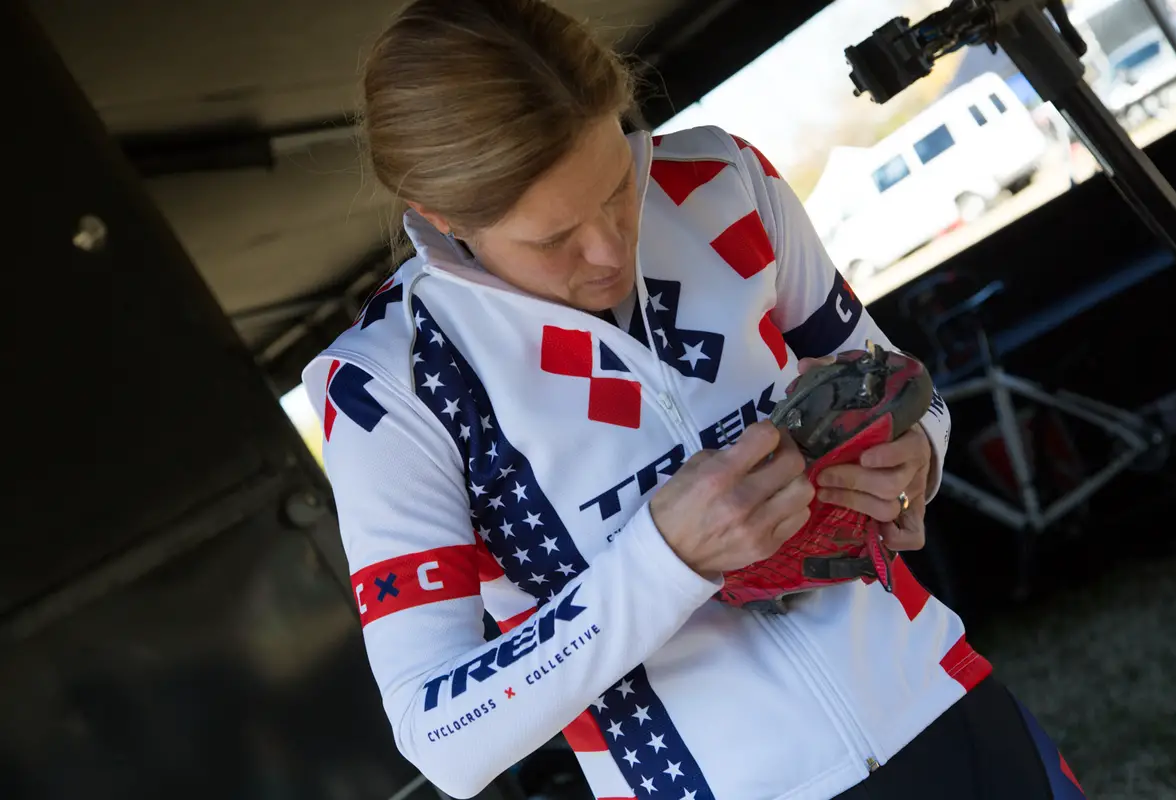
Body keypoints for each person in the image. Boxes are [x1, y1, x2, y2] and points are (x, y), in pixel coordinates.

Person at [301, 1, 1087, 798]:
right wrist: (664, 558)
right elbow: (441, 737)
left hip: (946, 705)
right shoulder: (385, 385)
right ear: (441, 219)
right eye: (553, 239)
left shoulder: (720, 181)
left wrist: (917, 455)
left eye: (616, 187)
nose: (610, 248)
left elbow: (905, 394)